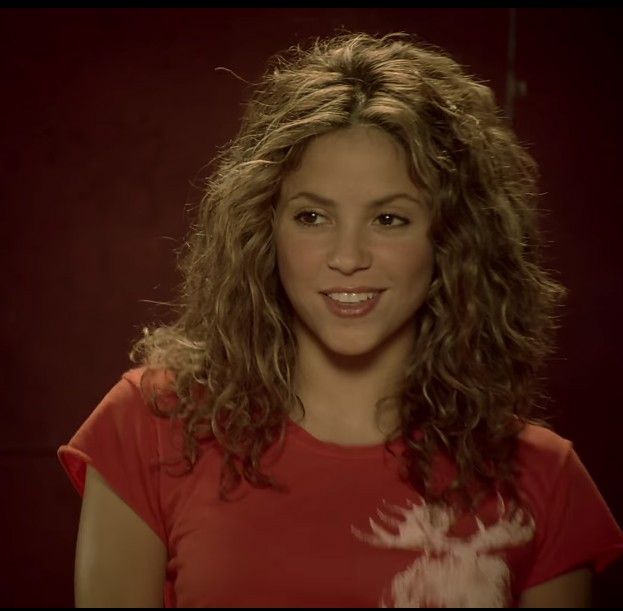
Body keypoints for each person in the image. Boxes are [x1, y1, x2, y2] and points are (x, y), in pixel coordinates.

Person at [58, 32, 623, 607]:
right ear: (265, 231)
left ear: (452, 239)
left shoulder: (542, 478)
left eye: (389, 219)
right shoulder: (151, 426)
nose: (348, 258)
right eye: (312, 216)